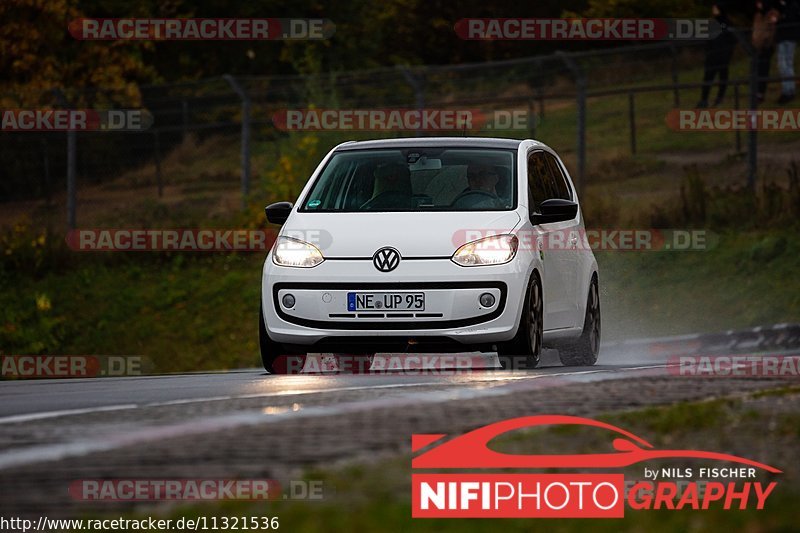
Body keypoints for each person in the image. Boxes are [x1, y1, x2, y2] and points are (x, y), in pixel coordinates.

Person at [697, 2, 738, 108]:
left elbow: (733, 40)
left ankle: (719, 99)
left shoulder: (727, 23)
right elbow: (707, 39)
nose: (713, 10)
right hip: (712, 56)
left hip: (723, 57)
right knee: (707, 78)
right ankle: (703, 100)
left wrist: (727, 53)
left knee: (723, 78)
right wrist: (708, 51)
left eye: (715, 8)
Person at [753, 0, 781, 103]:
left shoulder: (772, 14)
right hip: (757, 47)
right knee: (757, 70)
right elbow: (756, 30)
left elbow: (772, 30)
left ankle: (760, 93)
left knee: (763, 70)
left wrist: (767, 43)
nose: (758, 5)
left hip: (767, 47)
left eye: (760, 2)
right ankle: (756, 92)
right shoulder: (758, 15)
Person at [776, 0, 800, 103]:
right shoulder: (780, 5)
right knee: (783, 64)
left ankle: (789, 91)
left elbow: (791, 18)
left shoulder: (793, 5)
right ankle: (788, 90)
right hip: (783, 37)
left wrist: (781, 18)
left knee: (786, 64)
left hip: (789, 37)